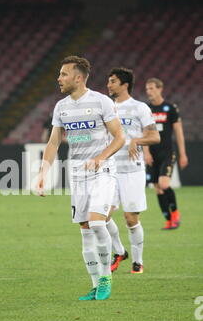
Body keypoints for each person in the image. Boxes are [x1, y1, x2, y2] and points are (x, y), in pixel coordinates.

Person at [36, 56, 125, 301]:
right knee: (85, 230)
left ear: (78, 77)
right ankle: (95, 285)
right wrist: (43, 173)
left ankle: (106, 277)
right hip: (78, 175)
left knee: (97, 223)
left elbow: (120, 137)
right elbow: (53, 142)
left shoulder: (101, 101)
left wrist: (101, 157)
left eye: (64, 74)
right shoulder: (61, 107)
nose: (59, 78)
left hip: (103, 172)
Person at [105, 67, 160, 274]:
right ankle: (119, 251)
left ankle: (137, 261)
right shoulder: (106, 107)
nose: (108, 85)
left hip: (132, 171)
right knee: (102, 215)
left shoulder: (139, 108)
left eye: (112, 81)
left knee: (131, 218)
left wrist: (137, 140)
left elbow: (155, 137)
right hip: (109, 170)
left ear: (124, 84)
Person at [144, 78, 189, 230]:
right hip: (152, 154)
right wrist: (146, 152)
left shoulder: (170, 108)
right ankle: (168, 220)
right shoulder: (147, 109)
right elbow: (144, 133)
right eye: (147, 89)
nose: (149, 91)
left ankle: (175, 213)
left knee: (164, 184)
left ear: (160, 88)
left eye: (151, 88)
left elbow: (179, 132)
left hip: (167, 153)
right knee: (157, 187)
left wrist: (183, 154)